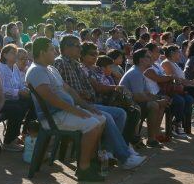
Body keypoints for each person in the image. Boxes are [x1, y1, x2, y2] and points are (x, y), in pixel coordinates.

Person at [54, 36, 143, 169]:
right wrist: (82, 96)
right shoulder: (59, 63)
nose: (80, 48)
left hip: (86, 102)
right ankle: (125, 157)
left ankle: (108, 152)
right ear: (67, 47)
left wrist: (87, 94)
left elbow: (88, 88)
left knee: (121, 113)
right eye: (77, 46)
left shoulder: (75, 64)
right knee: (107, 116)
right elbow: (59, 90)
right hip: (74, 105)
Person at [25, 37, 107, 182]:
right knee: (93, 124)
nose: (55, 52)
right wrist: (76, 111)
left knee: (101, 119)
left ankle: (91, 160)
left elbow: (68, 89)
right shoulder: (36, 71)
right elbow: (51, 99)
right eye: (52, 49)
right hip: (53, 116)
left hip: (64, 112)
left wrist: (86, 106)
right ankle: (84, 168)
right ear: (42, 52)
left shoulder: (51, 68)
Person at [120, 48, 169, 147]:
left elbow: (147, 93)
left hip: (133, 103)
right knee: (154, 105)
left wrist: (160, 98)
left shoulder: (140, 72)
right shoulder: (135, 73)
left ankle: (154, 136)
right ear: (141, 60)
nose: (152, 59)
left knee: (160, 103)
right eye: (148, 57)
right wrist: (158, 101)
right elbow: (138, 97)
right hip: (126, 105)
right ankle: (150, 139)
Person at [0, 44, 33, 151]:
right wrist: (18, 92)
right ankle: (8, 141)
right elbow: (0, 89)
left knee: (32, 102)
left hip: (13, 99)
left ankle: (25, 134)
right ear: (5, 55)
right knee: (17, 108)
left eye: (16, 53)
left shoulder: (14, 67)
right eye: (13, 53)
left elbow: (20, 83)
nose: (15, 55)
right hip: (1, 101)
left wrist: (24, 89)